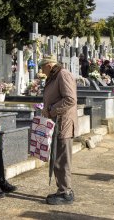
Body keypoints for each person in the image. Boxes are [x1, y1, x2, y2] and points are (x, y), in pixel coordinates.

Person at [39, 55, 78, 205]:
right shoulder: (55, 75)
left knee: (62, 159)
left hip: (63, 123)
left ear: (49, 65)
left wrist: (51, 110)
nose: (42, 70)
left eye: (43, 66)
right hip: (58, 122)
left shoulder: (63, 74)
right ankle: (62, 189)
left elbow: (70, 99)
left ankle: (65, 192)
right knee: (58, 157)